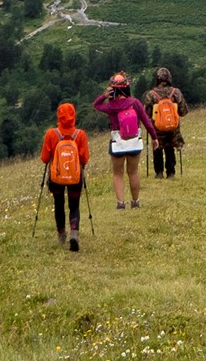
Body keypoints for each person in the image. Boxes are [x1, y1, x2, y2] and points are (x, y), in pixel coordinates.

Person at [94, 72, 148, 208]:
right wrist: (154, 137)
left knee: (118, 173)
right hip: (134, 141)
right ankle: (135, 202)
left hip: (118, 142)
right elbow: (146, 121)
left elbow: (96, 105)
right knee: (133, 172)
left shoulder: (111, 107)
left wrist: (104, 96)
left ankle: (120, 203)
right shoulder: (134, 103)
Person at [39, 102, 89, 251]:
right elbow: (84, 159)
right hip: (75, 177)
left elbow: (44, 158)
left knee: (58, 204)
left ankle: (62, 234)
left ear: (58, 116)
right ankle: (74, 231)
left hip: (56, 178)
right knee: (74, 205)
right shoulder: (80, 135)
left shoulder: (51, 134)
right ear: (74, 116)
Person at [146, 68, 188, 181]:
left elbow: (148, 113)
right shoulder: (176, 93)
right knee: (170, 147)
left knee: (157, 147)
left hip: (157, 128)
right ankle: (171, 172)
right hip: (172, 128)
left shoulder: (151, 95)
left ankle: (159, 172)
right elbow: (183, 111)